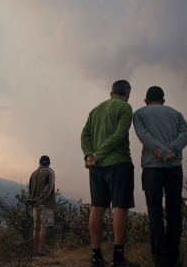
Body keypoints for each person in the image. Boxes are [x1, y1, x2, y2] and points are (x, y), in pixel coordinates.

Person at [133, 86, 187, 267]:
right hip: (174, 167)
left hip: (152, 168)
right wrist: (171, 150)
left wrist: (161, 152)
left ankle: (160, 258)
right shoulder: (176, 114)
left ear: (146, 100)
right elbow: (186, 135)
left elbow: (144, 136)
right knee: (174, 211)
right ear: (163, 101)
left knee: (155, 212)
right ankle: (174, 256)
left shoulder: (139, 114)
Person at [81, 80, 135, 267]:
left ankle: (96, 257)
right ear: (127, 93)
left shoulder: (95, 110)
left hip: (96, 168)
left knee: (97, 207)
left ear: (111, 93)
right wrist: (96, 155)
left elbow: (85, 135)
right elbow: (120, 135)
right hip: (119, 164)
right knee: (119, 207)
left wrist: (89, 155)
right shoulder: (125, 108)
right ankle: (118, 258)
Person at [28, 155, 56, 256]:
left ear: (39, 162)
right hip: (46, 203)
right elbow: (48, 189)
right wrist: (40, 199)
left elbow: (30, 189)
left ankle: (35, 251)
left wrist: (34, 200)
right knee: (44, 227)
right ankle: (41, 251)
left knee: (36, 228)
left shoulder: (34, 173)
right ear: (49, 163)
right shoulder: (50, 172)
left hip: (35, 203)